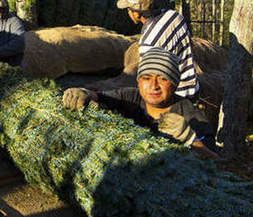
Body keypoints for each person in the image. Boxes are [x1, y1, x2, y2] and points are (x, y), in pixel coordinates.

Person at [62, 48, 218, 158]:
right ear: (138, 81)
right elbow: (98, 96)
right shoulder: (131, 97)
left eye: (163, 79)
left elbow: (215, 163)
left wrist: (191, 140)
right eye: (147, 78)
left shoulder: (192, 116)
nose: (153, 86)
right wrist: (82, 92)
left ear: (175, 83)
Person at [117, 0, 199, 99]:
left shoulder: (148, 43)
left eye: (129, 9)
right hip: (193, 88)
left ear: (137, 14)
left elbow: (152, 80)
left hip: (173, 97)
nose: (128, 12)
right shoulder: (175, 16)